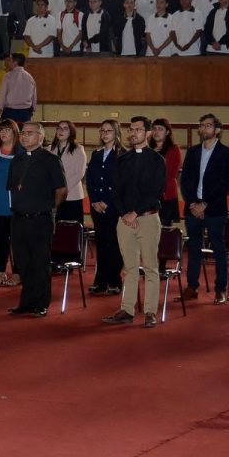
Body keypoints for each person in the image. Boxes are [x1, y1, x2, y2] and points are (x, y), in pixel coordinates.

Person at [102, 116, 167, 327]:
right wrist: (124, 214)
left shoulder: (158, 160)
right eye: (131, 129)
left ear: (148, 133)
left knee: (150, 266)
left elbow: (156, 192)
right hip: (125, 220)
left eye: (138, 130)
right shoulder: (122, 160)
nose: (133, 133)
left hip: (147, 218)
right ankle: (127, 310)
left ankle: (150, 312)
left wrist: (135, 213)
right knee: (129, 267)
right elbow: (116, 191)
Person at [7, 122, 68, 318]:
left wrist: (50, 210)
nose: (24, 136)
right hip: (18, 219)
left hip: (40, 219)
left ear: (41, 137)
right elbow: (13, 188)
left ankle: (41, 303)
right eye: (23, 133)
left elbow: (61, 190)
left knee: (40, 262)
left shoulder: (51, 160)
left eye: (29, 133)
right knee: (23, 262)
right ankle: (26, 302)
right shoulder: (17, 160)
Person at [180, 113, 229, 305]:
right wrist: (194, 202)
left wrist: (206, 203)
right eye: (201, 125)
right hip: (193, 207)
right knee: (193, 248)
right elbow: (185, 180)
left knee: (218, 247)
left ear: (217, 130)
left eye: (208, 125)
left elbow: (225, 184)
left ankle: (220, 288)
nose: (203, 128)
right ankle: (192, 286)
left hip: (215, 208)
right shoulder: (193, 151)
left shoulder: (227, 153)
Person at [86, 119, 124, 296]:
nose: (105, 133)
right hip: (97, 206)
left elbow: (121, 184)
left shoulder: (123, 155)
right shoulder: (96, 154)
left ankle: (115, 280)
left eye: (109, 130)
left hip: (114, 206)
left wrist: (107, 201)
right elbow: (91, 180)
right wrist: (94, 200)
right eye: (102, 131)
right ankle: (100, 281)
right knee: (101, 243)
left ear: (116, 133)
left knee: (115, 244)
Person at [0, 119, 24, 286]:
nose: (3, 133)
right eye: (1, 130)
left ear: (15, 132)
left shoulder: (21, 153)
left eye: (7, 130)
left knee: (16, 241)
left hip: (14, 205)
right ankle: (1, 272)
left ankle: (17, 273)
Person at [48, 120, 87, 224]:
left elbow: (79, 173)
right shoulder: (49, 149)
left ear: (71, 132)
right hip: (53, 196)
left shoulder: (78, 149)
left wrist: (63, 190)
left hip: (72, 195)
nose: (61, 131)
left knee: (71, 231)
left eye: (65, 129)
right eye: (59, 128)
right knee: (55, 229)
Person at [149, 118, 182, 226]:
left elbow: (170, 174)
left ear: (167, 132)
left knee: (164, 230)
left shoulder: (173, 149)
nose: (156, 132)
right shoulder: (147, 149)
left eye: (160, 129)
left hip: (166, 195)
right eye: (154, 129)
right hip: (148, 196)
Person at [0, 53, 37, 124]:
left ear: (15, 63)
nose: (8, 62)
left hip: (10, 112)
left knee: (8, 133)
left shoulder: (7, 76)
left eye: (10, 60)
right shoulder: (30, 77)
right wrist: (32, 109)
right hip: (25, 112)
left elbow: (2, 95)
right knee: (23, 134)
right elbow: (34, 96)